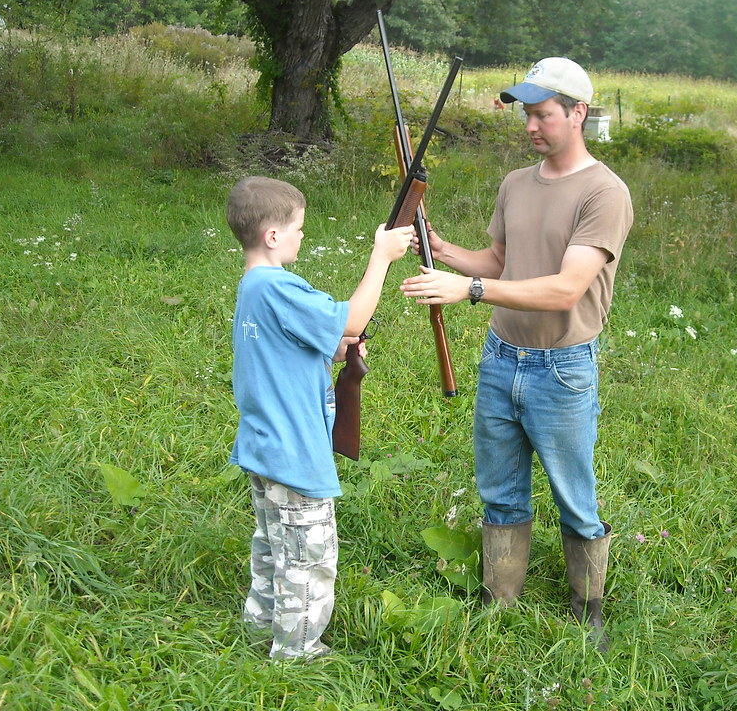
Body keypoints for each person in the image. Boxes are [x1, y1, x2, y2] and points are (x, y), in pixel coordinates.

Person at [399, 58, 633, 649]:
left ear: (578, 112)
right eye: (527, 114)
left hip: (562, 367)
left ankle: (589, 610)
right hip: (502, 358)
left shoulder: (605, 192)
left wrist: (469, 292)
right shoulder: (515, 183)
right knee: (500, 489)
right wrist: (444, 249)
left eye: (543, 114)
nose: (531, 125)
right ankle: (498, 600)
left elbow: (563, 289)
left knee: (574, 495)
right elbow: (499, 263)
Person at [226, 176, 414, 660]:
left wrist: (334, 349)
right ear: (273, 236)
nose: (302, 236)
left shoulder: (253, 287)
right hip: (295, 452)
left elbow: (290, 347)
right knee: (307, 558)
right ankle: (297, 653)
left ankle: (260, 626)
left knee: (272, 547)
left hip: (263, 446)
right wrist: (382, 257)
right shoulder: (280, 287)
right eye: (298, 229)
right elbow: (351, 318)